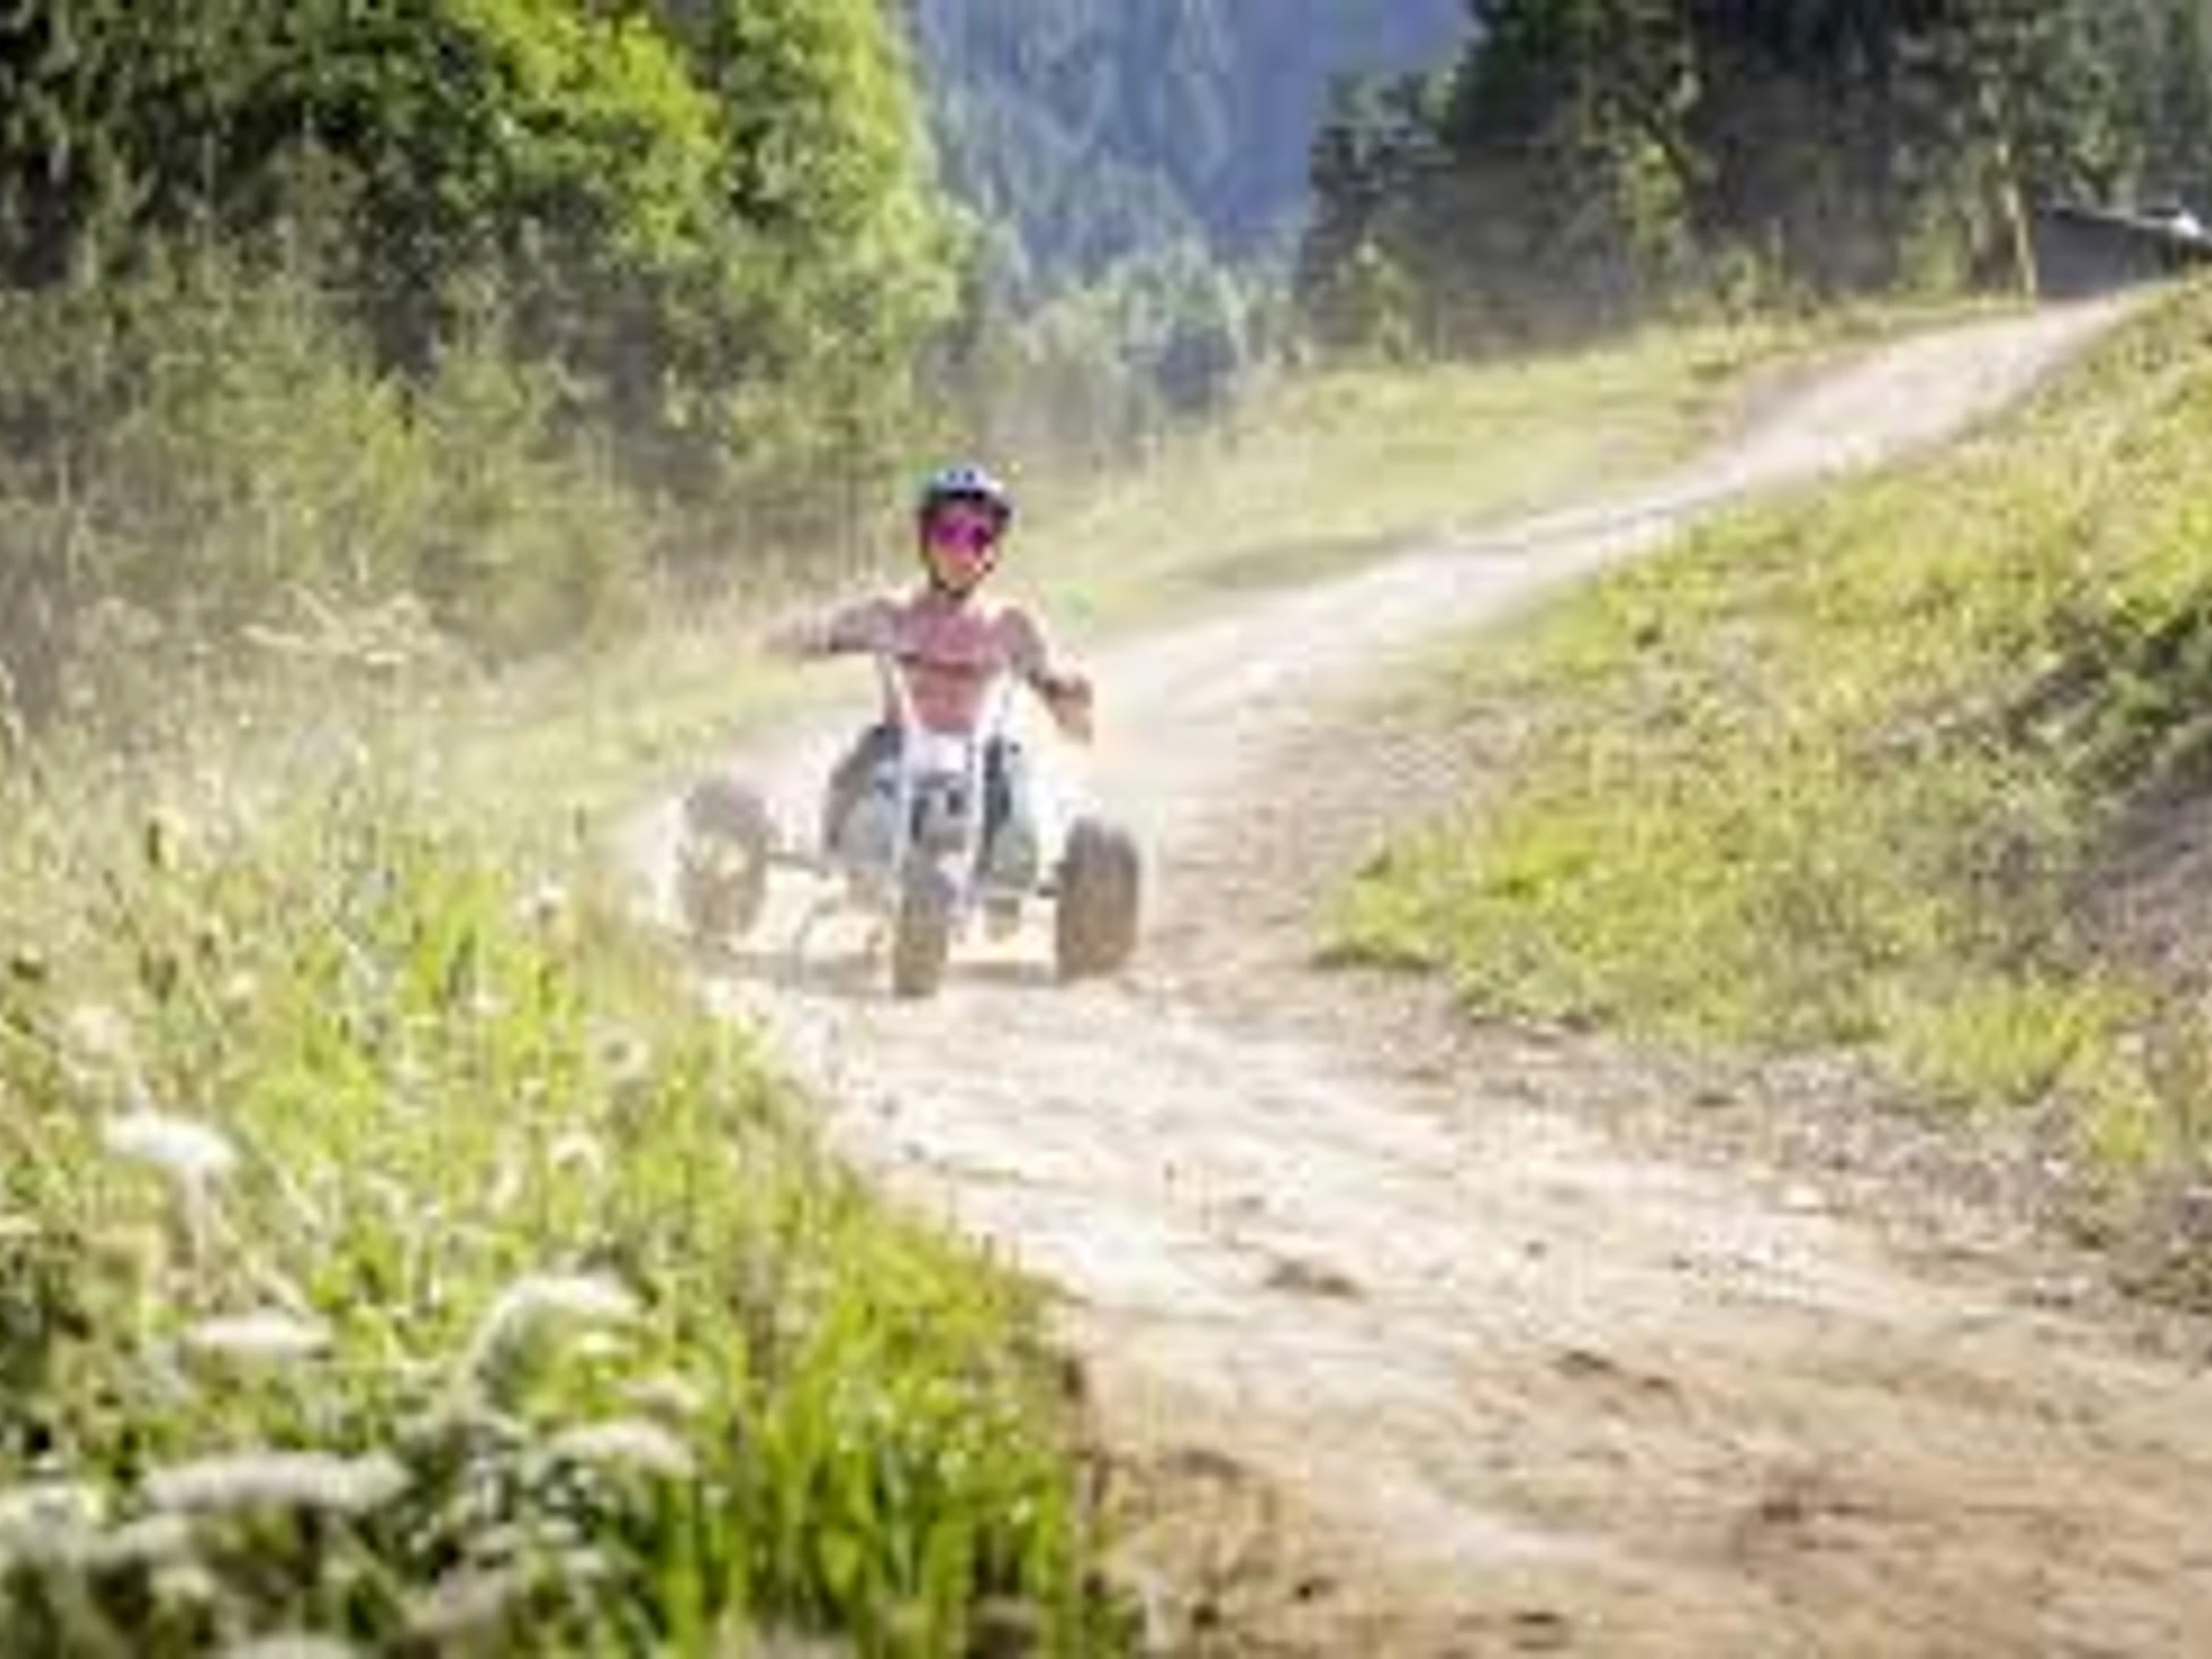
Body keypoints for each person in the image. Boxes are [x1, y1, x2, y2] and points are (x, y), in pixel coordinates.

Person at [778, 464, 1094, 904]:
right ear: (925, 538)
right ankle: (860, 864)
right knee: (869, 805)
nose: (961, 551)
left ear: (994, 549)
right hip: (899, 743)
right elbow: (815, 636)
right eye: (948, 533)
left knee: (1017, 824)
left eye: (979, 537)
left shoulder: (1010, 624)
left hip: (979, 752)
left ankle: (1006, 883)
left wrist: (1070, 697)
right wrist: (795, 640)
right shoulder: (890, 612)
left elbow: (1070, 716)